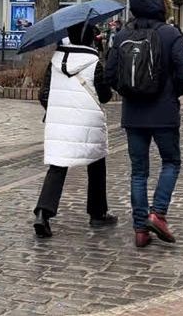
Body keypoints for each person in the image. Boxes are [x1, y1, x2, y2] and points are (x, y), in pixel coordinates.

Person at [106, 0, 183, 248]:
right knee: (171, 162)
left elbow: (110, 74)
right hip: (164, 112)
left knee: (138, 172)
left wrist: (129, 92)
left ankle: (140, 229)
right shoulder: (169, 34)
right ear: (161, 7)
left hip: (133, 113)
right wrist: (171, 93)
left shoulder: (121, 36)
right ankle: (158, 212)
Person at [32, 22, 117, 238]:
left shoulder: (55, 60)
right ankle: (97, 213)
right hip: (88, 121)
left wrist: (58, 112)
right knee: (96, 162)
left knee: (58, 166)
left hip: (59, 122)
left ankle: (43, 213)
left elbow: (44, 95)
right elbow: (105, 95)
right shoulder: (93, 62)